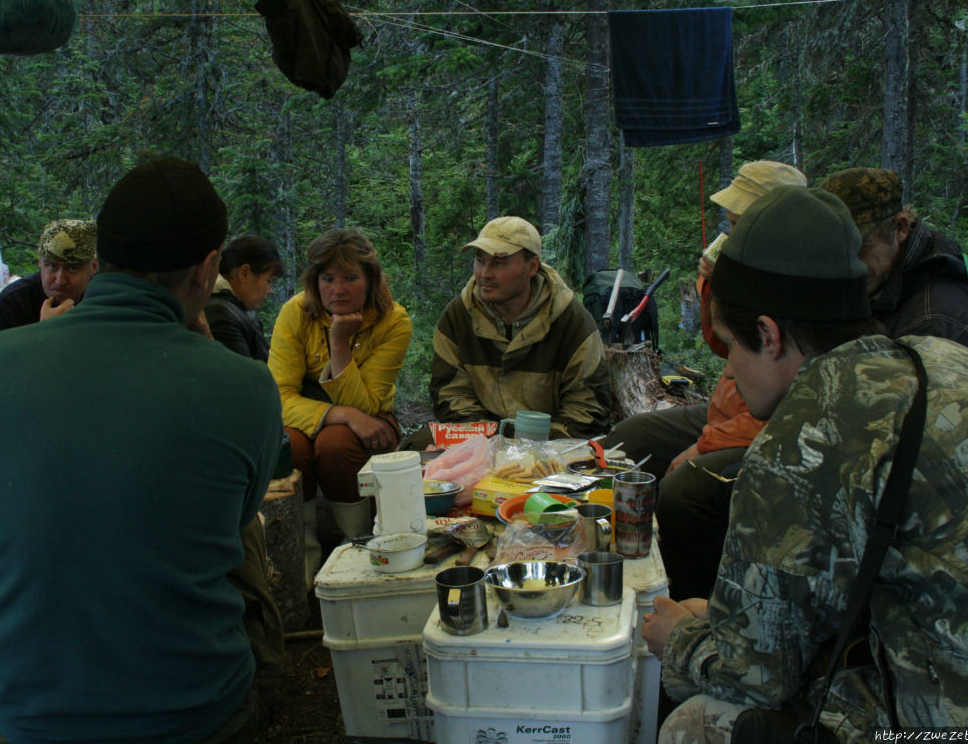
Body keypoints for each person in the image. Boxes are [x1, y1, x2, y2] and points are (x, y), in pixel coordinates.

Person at [641, 185, 968, 743]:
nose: (731, 372)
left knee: (698, 722)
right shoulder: (948, 362)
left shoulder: (803, 440)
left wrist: (679, 639)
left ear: (768, 332)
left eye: (733, 346)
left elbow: (756, 677)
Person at [0, 157, 282, 743]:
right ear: (209, 268)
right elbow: (231, 522)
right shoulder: (244, 386)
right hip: (188, 708)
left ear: (101, 261)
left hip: (22, 706)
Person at [604, 161, 805, 600]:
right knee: (626, 440)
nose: (728, 232)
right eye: (729, 224)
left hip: (764, 425)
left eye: (737, 223)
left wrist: (706, 443)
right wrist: (714, 286)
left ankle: (687, 601)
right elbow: (722, 346)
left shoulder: (797, 282)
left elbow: (783, 409)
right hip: (726, 409)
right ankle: (613, 554)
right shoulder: (748, 266)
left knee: (684, 486)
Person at [267, 229, 412, 557]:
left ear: (370, 280)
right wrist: (340, 414)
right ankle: (302, 553)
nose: (339, 290)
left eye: (350, 277)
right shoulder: (296, 313)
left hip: (373, 421)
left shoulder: (394, 321)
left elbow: (369, 405)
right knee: (292, 444)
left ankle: (356, 543)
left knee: (335, 444)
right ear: (315, 282)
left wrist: (339, 343)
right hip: (307, 414)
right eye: (328, 278)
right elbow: (279, 397)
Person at [429, 216, 611, 439]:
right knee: (416, 445)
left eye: (498, 263)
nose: (484, 274)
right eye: (480, 260)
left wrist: (531, 450)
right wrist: (487, 442)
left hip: (552, 443)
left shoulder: (571, 321)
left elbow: (587, 408)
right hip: (481, 439)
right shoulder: (458, 316)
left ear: (532, 267)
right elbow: (449, 393)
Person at [818, 166, 968, 371]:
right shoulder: (898, 280)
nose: (849, 266)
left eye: (861, 249)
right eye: (836, 251)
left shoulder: (934, 324)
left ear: (901, 228)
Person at [0, 218, 98, 334]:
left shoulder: (103, 299)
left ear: (94, 267)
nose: (60, 281)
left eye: (72, 268)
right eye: (52, 267)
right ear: (40, 262)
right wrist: (47, 329)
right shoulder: (13, 302)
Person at [203, 234, 284, 362]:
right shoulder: (219, 314)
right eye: (269, 281)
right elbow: (245, 377)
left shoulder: (233, 307)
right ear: (245, 272)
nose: (270, 291)